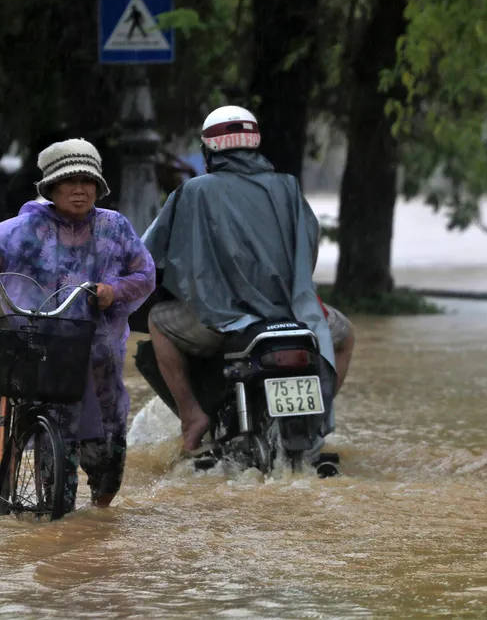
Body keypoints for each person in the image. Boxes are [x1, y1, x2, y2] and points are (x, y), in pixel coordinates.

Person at [0, 138, 156, 512]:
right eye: (69, 181)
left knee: (108, 471)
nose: (79, 189)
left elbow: (145, 273)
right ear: (51, 188)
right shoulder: (26, 230)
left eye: (87, 181)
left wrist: (113, 290)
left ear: (97, 187)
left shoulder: (114, 228)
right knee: (56, 457)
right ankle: (55, 511)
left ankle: (97, 523)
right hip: (42, 346)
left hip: (97, 353)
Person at [142, 105, 354, 454]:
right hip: (293, 316)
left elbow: (149, 254)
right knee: (345, 336)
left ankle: (192, 417)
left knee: (157, 322)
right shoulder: (288, 187)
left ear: (209, 150)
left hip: (220, 320)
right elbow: (309, 250)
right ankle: (316, 421)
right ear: (254, 145)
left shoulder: (194, 191)